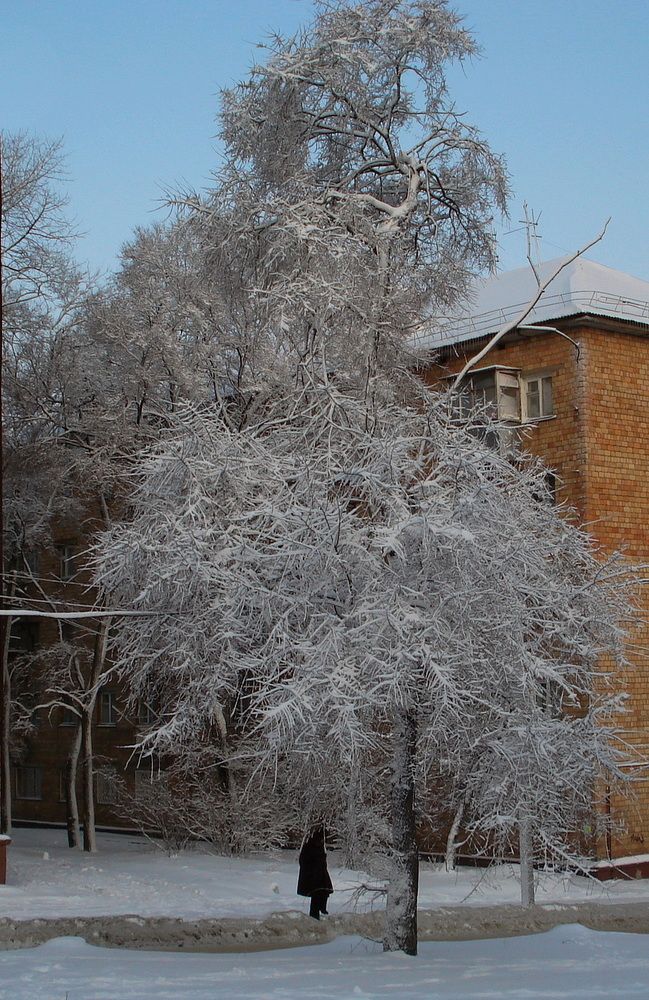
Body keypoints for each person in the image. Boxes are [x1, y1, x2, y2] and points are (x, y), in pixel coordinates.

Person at [297, 825, 333, 919]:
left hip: (320, 875)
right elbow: (304, 861)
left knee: (324, 891)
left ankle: (321, 909)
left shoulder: (318, 846)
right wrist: (312, 872)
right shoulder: (309, 847)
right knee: (317, 894)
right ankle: (315, 916)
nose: (322, 840)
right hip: (313, 877)